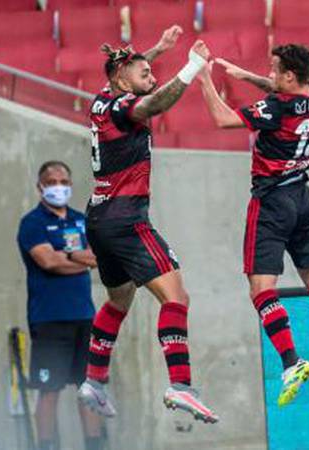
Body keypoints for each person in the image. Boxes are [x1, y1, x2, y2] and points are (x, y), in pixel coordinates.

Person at [195, 44, 309, 406]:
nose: (269, 75)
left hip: (272, 202)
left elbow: (224, 120)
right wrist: (245, 76)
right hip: (303, 198)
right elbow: (282, 93)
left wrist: (204, 79)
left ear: (289, 76)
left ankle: (292, 361)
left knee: (261, 290)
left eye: (273, 70)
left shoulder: (276, 107)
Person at [75, 25, 219, 424]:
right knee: (176, 298)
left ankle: (94, 380)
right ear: (123, 79)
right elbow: (151, 104)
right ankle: (181, 385)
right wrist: (190, 67)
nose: (152, 80)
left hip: (99, 220)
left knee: (119, 299)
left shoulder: (103, 99)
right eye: (145, 76)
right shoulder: (125, 107)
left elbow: (133, 76)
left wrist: (156, 50)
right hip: (127, 219)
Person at [17, 161, 105, 450]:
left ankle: (94, 444)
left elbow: (99, 258)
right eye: (52, 181)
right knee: (49, 389)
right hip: (50, 319)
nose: (58, 186)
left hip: (84, 317)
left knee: (89, 388)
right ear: (40, 186)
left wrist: (67, 254)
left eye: (63, 181)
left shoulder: (82, 220)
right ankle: (46, 445)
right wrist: (78, 258)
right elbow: (48, 262)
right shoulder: (33, 223)